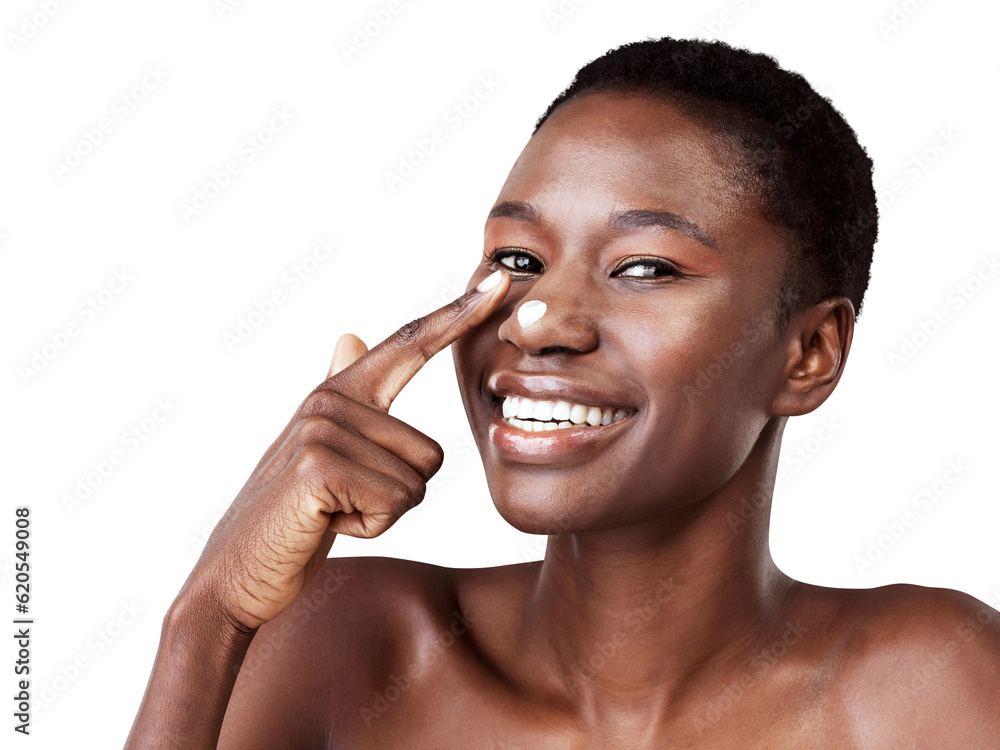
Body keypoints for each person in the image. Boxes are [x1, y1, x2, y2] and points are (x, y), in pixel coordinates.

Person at [126, 37, 1000, 748]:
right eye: (517, 260)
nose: (540, 319)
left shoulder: (922, 692)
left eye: (645, 268)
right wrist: (207, 620)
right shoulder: (349, 645)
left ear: (808, 353)